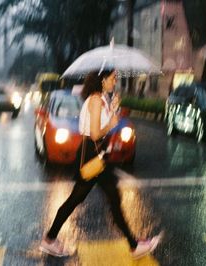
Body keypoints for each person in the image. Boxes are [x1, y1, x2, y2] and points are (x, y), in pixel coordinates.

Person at [39, 69, 161, 259]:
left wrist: (113, 109)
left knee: (85, 199)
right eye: (112, 78)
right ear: (102, 80)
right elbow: (96, 133)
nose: (115, 81)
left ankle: (49, 238)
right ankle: (133, 245)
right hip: (91, 153)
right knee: (109, 198)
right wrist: (111, 123)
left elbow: (102, 124)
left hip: (96, 153)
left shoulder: (100, 98)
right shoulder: (95, 100)